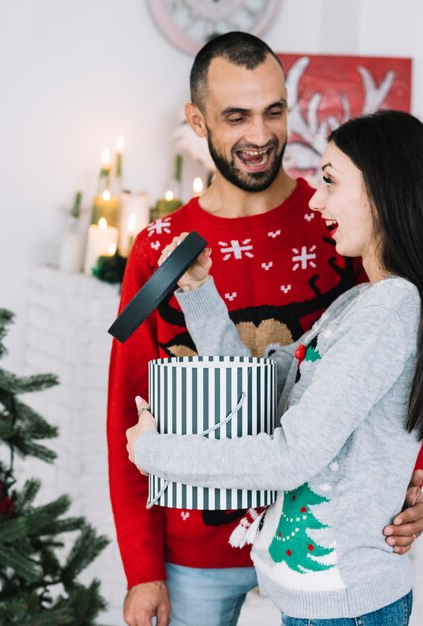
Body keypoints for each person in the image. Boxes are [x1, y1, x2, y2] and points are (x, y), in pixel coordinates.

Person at [107, 31, 423, 626]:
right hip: (209, 552)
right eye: (236, 116)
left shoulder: (343, 236)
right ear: (197, 122)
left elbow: (396, 384)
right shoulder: (160, 249)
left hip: (330, 569)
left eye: (273, 111)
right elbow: (136, 403)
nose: (259, 135)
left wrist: (416, 478)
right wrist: (142, 567)